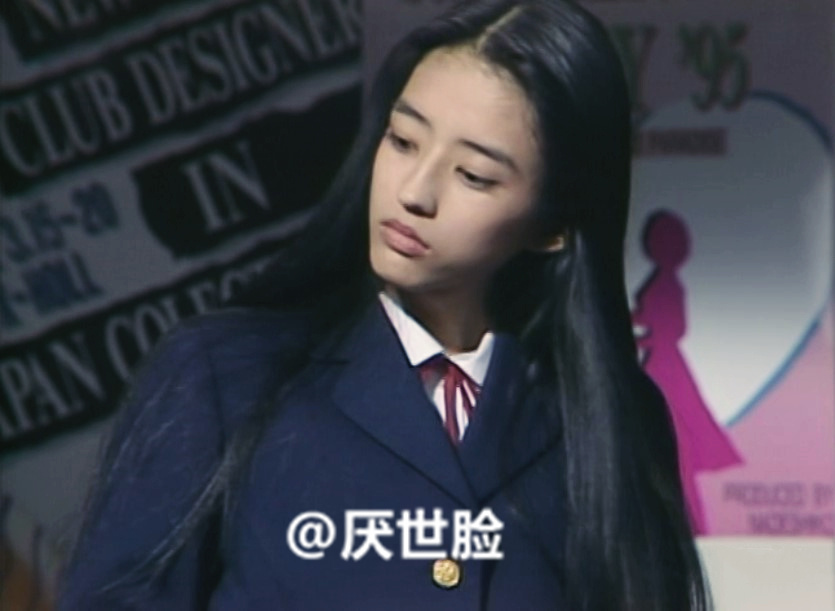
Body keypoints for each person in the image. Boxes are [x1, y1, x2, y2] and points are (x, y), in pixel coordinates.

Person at [59, 1, 711, 609]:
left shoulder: (608, 421)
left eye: (473, 175)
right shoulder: (224, 374)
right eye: (402, 141)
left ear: (553, 226)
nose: (414, 192)